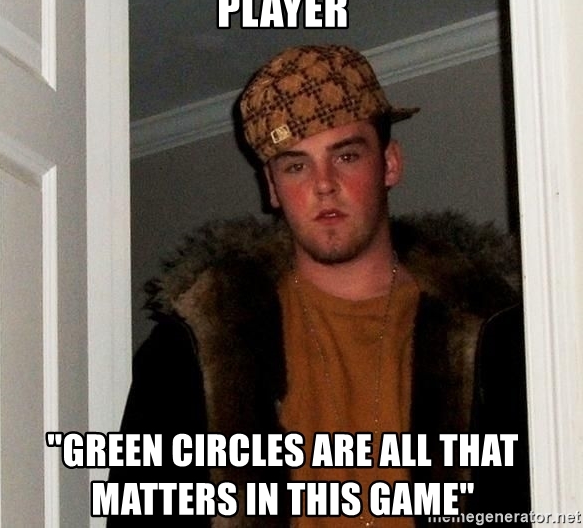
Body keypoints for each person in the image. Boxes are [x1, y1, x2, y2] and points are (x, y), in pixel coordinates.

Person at [107, 45, 529, 527]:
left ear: (389, 164)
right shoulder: (193, 348)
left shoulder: (499, 335)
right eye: (296, 165)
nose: (323, 184)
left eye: (345, 155)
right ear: (272, 187)